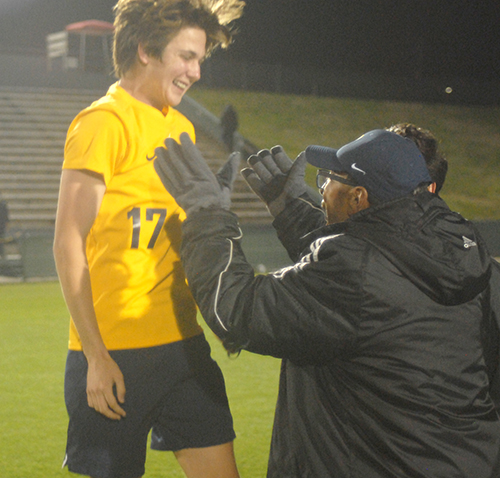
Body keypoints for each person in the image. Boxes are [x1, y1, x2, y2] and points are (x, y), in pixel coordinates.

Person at [153, 129, 500, 477]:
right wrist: (291, 210)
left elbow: (237, 309)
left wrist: (206, 214)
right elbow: (363, 267)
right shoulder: (461, 251)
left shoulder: (355, 272)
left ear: (358, 197)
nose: (322, 188)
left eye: (332, 179)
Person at [53, 1, 244, 477]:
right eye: (186, 56)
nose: (195, 72)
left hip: (184, 347)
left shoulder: (179, 127)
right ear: (145, 51)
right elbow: (67, 242)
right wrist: (96, 357)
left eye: (199, 59)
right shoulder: (103, 123)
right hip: (114, 356)